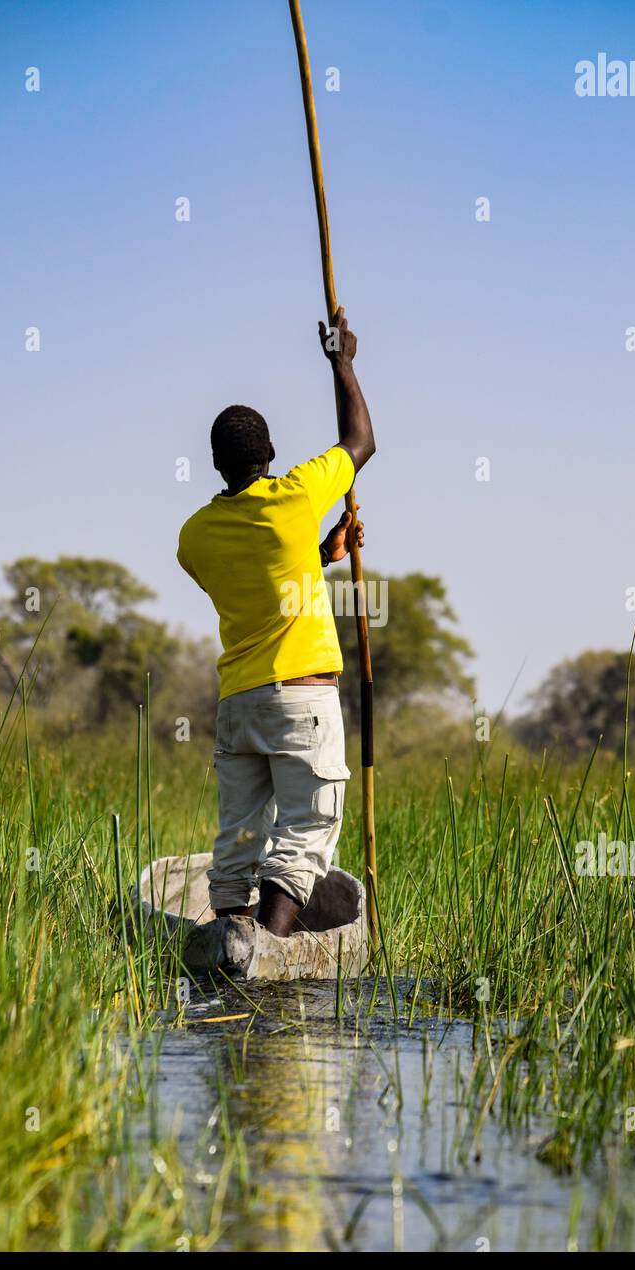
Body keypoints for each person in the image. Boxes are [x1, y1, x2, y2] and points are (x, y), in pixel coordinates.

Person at [176, 307, 376, 937]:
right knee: (307, 828)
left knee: (238, 835)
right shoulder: (296, 493)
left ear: (215, 465)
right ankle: (268, 950)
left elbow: (261, 589)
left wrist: (320, 556)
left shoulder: (194, 537)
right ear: (270, 452)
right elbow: (361, 442)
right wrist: (342, 361)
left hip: (240, 703)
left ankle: (229, 944)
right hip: (302, 701)